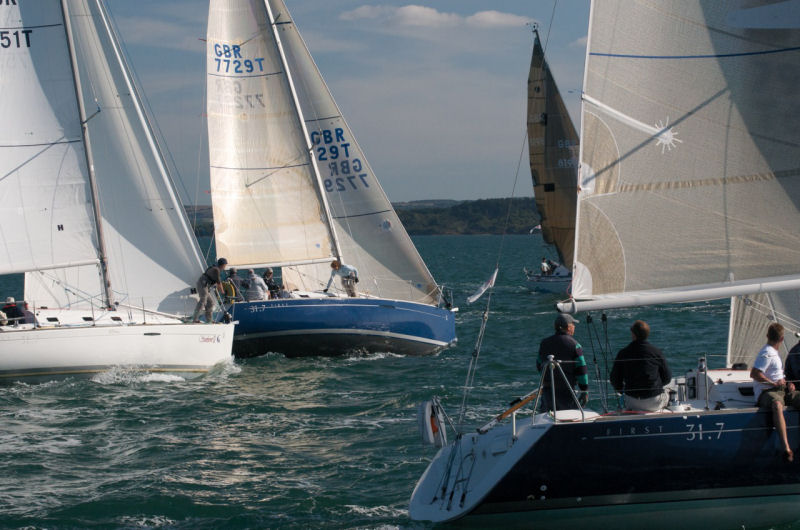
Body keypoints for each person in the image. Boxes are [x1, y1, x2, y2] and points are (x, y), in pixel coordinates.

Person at [751, 323, 800, 462]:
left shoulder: (773, 352)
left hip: (781, 389)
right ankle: (786, 448)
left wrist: (788, 382)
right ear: (782, 339)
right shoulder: (767, 353)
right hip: (768, 391)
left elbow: (777, 373)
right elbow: (754, 374)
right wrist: (773, 383)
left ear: (767, 336)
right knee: (777, 405)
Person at [610, 320, 671, 412]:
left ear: (633, 334)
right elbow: (667, 378)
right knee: (669, 391)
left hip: (632, 401)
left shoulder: (623, 353)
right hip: (653, 401)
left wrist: (622, 391)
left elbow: (614, 379)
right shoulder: (656, 352)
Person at [537, 313, 589, 411]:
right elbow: (581, 369)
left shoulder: (544, 343)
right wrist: (584, 390)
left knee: (547, 416)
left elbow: (539, 364)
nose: (574, 327)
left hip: (548, 391)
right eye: (573, 324)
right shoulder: (575, 345)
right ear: (568, 327)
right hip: (567, 391)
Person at [191, 258, 228, 323]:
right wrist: (223, 292)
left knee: (210, 303)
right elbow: (219, 283)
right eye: (225, 265)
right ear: (223, 265)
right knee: (203, 300)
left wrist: (219, 289)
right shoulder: (216, 270)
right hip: (202, 285)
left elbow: (216, 282)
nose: (225, 267)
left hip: (205, 286)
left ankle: (209, 320)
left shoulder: (215, 268)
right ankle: (195, 319)